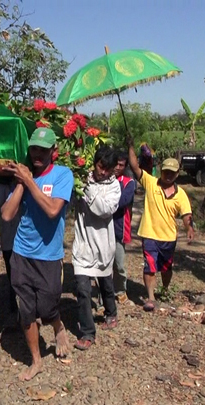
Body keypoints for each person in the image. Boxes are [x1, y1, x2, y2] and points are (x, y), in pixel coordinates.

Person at [2, 128, 73, 381]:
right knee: (27, 310)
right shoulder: (25, 178)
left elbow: (53, 210)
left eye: (43, 150)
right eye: (34, 149)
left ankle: (57, 325)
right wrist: (22, 183)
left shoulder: (63, 175)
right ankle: (36, 360)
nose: (37, 154)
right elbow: (7, 215)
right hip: (22, 252)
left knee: (47, 305)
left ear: (54, 151)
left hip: (49, 255)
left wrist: (30, 181)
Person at [127, 137, 195, 311]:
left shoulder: (181, 195)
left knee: (166, 268)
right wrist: (131, 146)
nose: (168, 175)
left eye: (172, 173)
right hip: (149, 234)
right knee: (150, 266)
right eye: (166, 172)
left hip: (169, 237)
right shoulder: (151, 183)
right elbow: (135, 167)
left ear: (177, 174)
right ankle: (150, 298)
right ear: (161, 171)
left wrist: (189, 228)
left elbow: (186, 215)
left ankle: (164, 290)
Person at [72, 147, 122, 351]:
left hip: (103, 245)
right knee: (83, 290)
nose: (103, 172)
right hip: (83, 245)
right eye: (101, 167)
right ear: (95, 163)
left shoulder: (114, 187)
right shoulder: (81, 179)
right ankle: (87, 332)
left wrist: (88, 190)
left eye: (107, 169)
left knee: (105, 284)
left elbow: (104, 210)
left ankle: (111, 311)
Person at [0, 177, 21, 330]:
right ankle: (15, 311)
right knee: (12, 276)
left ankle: (26, 311)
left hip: (26, 240)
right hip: (9, 240)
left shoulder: (26, 184)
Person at [112, 151, 137, 304]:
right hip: (102, 229)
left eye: (121, 165)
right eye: (116, 163)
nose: (117, 167)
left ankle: (120, 290)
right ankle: (104, 294)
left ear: (125, 166)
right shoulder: (104, 179)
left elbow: (122, 202)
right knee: (103, 265)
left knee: (119, 264)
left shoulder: (129, 183)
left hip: (119, 229)